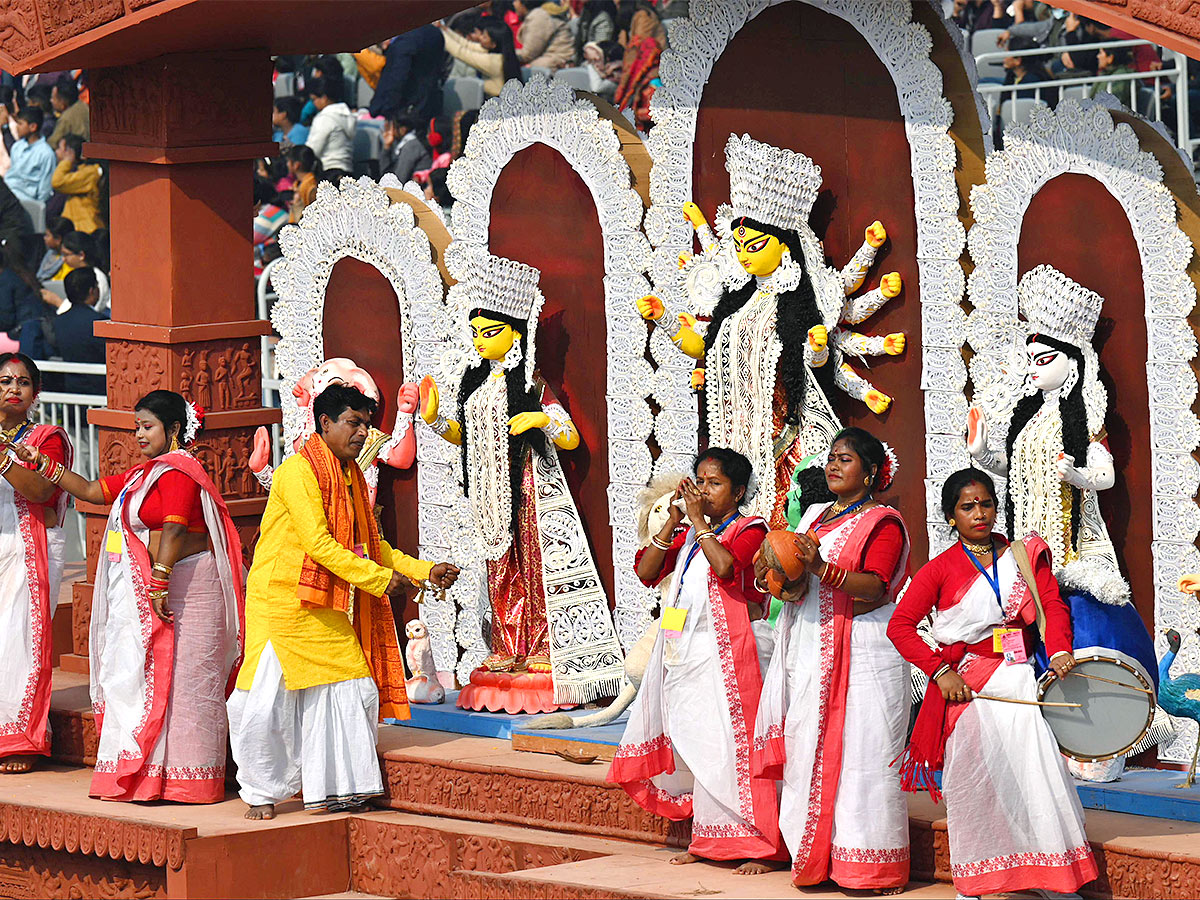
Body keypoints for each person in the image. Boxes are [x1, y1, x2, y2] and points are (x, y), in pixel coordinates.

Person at [228, 384, 460, 819]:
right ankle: (260, 790)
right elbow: (319, 542)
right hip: (281, 602)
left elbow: (369, 544)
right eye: (354, 423)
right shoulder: (297, 472)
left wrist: (421, 570)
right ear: (325, 423)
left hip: (321, 603)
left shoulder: (351, 474)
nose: (362, 433)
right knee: (263, 701)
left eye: (367, 424)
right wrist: (379, 580)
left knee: (352, 687)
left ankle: (338, 788)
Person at [15, 390, 244, 802]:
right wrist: (39, 464)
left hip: (190, 589)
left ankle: (189, 783)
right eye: (136, 427)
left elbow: (174, 530)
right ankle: (149, 777)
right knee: (150, 681)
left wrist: (158, 581)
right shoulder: (143, 475)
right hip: (159, 591)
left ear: (173, 429)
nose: (139, 434)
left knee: (188, 687)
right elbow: (88, 491)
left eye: (147, 426)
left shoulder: (179, 472)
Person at [888, 468, 1097, 899]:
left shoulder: (1020, 555)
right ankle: (977, 879)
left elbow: (1052, 606)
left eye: (986, 504)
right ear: (950, 516)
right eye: (968, 507)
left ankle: (1049, 878)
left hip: (1018, 676)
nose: (979, 514)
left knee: (1035, 770)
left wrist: (1059, 649)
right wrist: (940, 672)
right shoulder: (938, 569)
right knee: (974, 778)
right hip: (968, 684)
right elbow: (901, 626)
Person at [610, 447, 784, 874]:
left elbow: (726, 568)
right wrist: (673, 522)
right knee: (701, 747)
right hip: (687, 653)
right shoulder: (688, 533)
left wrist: (700, 524)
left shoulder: (751, 528)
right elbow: (648, 572)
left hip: (737, 654)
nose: (704, 490)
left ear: (738, 491)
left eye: (715, 483)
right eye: (700, 481)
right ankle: (709, 840)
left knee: (736, 748)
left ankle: (763, 846)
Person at [753, 427, 911, 892]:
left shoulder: (884, 522)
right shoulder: (818, 515)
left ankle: (868, 867)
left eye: (846, 458)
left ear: (871, 473)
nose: (834, 465)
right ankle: (812, 857)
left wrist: (822, 569)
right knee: (809, 749)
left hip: (864, 649)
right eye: (831, 457)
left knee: (864, 754)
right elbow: (795, 578)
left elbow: (877, 586)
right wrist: (777, 577)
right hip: (810, 643)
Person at [0, 354, 72, 774]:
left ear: (35, 392)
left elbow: (44, 491)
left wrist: (5, 457)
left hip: (32, 546)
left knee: (20, 641)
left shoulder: (48, 438)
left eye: (23, 381)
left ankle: (20, 739)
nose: (13, 387)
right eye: (5, 380)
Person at [39, 267, 106, 394]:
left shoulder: (58, 322)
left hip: (71, 391)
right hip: (100, 392)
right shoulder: (100, 322)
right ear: (91, 291)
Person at [368, 25, 447, 121]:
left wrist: (384, 111)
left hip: (405, 112)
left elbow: (396, 81)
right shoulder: (434, 32)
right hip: (431, 106)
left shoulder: (402, 45)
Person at [439, 17, 522, 98]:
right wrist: (444, 29)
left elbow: (460, 52)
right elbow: (466, 45)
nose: (480, 38)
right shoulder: (505, 54)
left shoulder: (493, 61)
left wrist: (439, 32)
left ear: (493, 44)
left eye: (485, 37)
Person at [304, 77, 355, 182]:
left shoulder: (324, 118)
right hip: (348, 173)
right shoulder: (348, 116)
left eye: (314, 99)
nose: (313, 103)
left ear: (324, 98)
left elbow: (312, 151)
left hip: (329, 174)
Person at [50, 134, 103, 234]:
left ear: (70, 152)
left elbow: (58, 182)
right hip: (74, 227)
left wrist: (67, 161)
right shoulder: (76, 170)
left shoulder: (90, 172)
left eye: (60, 149)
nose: (57, 152)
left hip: (86, 229)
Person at [50, 230, 109, 314]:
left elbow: (95, 309)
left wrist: (58, 302)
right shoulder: (76, 275)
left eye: (66, 254)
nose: (63, 259)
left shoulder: (97, 278)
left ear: (81, 255)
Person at [5, 107, 55, 204]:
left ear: (32, 127)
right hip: (8, 194)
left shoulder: (46, 153)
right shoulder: (17, 146)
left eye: (20, 124)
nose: (16, 127)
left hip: (26, 200)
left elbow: (45, 188)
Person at [515, 0, 574, 70]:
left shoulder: (539, 16)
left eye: (516, 0)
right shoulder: (541, 13)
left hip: (555, 63)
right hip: (553, 60)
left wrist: (504, 54)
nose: (514, 3)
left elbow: (527, 55)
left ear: (524, 3)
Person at [380, 114, 432, 184]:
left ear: (403, 129)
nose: (391, 132)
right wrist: (387, 147)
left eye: (393, 128)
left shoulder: (411, 146)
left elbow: (398, 181)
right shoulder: (405, 143)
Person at [47, 77, 89, 146]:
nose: (51, 101)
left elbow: (53, 143)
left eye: (53, 98)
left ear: (62, 101)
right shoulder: (84, 106)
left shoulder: (66, 118)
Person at [37, 215, 72, 281]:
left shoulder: (68, 261)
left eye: (47, 235)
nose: (44, 238)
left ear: (58, 239)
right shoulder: (51, 253)